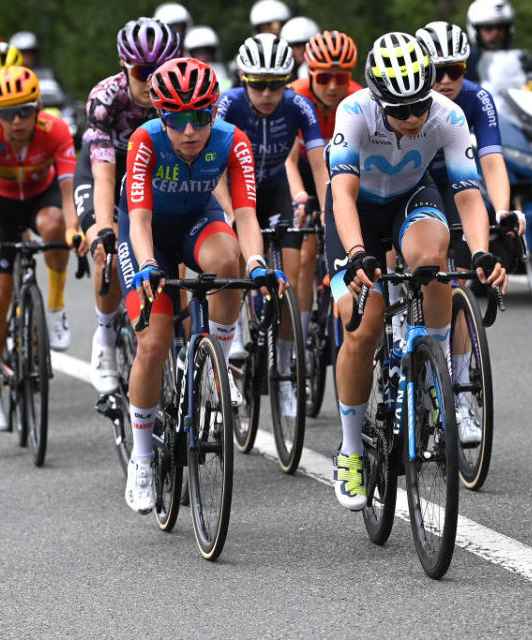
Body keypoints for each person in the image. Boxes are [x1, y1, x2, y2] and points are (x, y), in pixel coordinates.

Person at [325, 32, 507, 509]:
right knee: (363, 328)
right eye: (400, 110)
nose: (412, 118)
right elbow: (342, 194)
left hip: (410, 197)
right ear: (377, 99)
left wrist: (483, 252)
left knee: (434, 261)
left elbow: (468, 194)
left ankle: (437, 368)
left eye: (419, 107)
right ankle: (349, 449)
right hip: (357, 212)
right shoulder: (354, 112)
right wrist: (359, 251)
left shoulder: (449, 116)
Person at [119, 58, 288, 512]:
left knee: (230, 261)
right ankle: (141, 457)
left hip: (198, 221)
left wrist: (256, 263)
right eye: (176, 118)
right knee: (153, 345)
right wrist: (150, 264)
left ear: (214, 112)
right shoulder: (145, 140)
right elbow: (138, 218)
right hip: (147, 233)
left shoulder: (232, 140)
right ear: (161, 116)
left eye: (201, 117)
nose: (190, 130)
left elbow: (247, 214)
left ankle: (217, 359)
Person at [0, 66, 87, 432]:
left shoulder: (56, 131)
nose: (16, 121)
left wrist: (75, 229)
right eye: (5, 113)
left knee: (54, 226)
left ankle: (57, 306)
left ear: (37, 107)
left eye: (25, 111)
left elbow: (68, 192)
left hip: (40, 196)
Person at [216, 33, 328, 417]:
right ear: (243, 78)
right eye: (258, 84)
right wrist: (229, 211)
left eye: (275, 84)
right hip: (231, 190)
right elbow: (212, 169)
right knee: (228, 260)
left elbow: (319, 167)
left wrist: (330, 213)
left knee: (289, 282)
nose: (267, 93)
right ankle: (236, 337)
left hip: (276, 189)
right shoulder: (227, 105)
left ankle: (283, 373)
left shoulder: (299, 106)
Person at [415, 20, 515, 444]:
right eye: (437, 71)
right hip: (415, 189)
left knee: (454, 283)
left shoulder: (477, 98)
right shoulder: (409, 101)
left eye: (455, 69)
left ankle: (457, 398)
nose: (446, 80)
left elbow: (491, 161)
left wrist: (505, 210)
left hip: (459, 188)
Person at [76, 17, 181, 394]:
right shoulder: (106, 99)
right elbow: (104, 173)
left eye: (161, 69)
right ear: (124, 66)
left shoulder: (181, 90)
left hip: (155, 176)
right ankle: (104, 340)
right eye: (143, 71)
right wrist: (104, 226)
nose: (153, 79)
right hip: (105, 172)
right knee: (107, 251)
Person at [286, 30, 361, 360]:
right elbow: (287, 160)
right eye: (325, 77)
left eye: (340, 77)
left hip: (343, 176)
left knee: (344, 249)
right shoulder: (294, 97)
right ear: (310, 73)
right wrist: (301, 195)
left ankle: (343, 303)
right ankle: (299, 342)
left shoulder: (359, 97)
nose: (333, 86)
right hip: (301, 173)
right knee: (305, 252)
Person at [464, 0, 514, 81]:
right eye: (488, 28)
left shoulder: (520, 58)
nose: (496, 33)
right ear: (476, 30)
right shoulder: (466, 61)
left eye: (501, 27)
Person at [184, 25, 233, 91]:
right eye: (198, 52)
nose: (203, 56)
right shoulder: (183, 76)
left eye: (208, 51)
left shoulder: (226, 72)